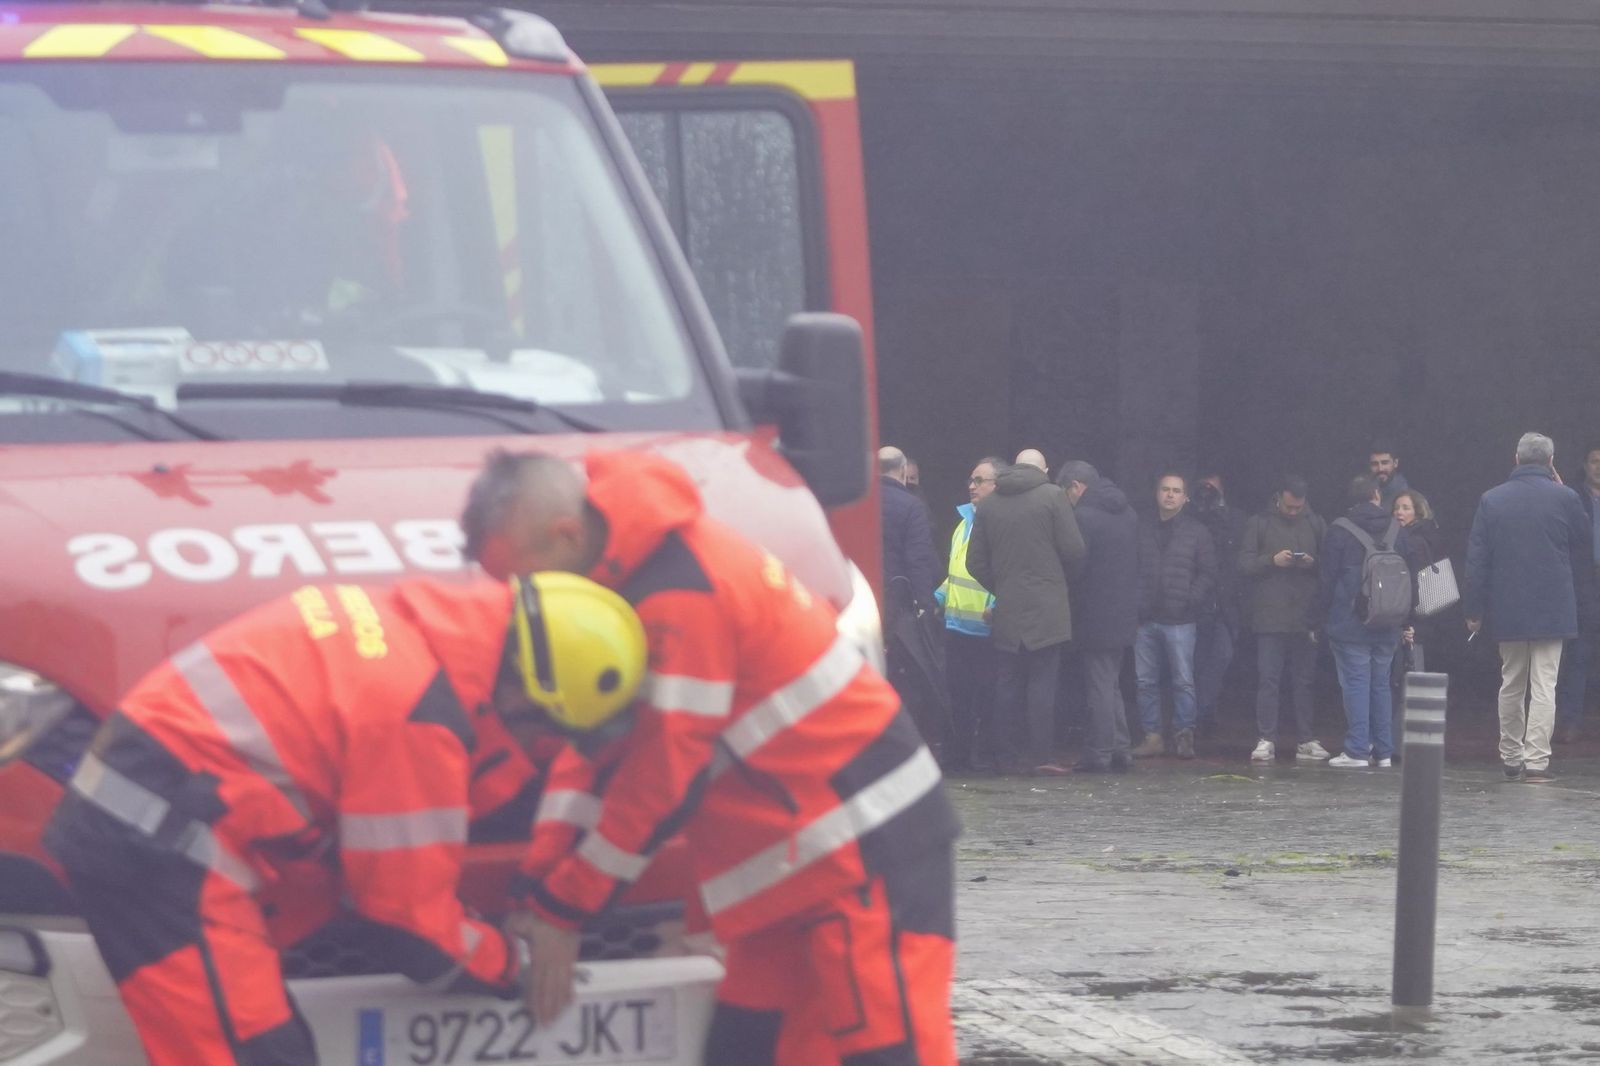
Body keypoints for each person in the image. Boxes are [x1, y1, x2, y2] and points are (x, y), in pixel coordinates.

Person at [462, 449, 960, 1064]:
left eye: (522, 581)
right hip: (802, 865)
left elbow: (661, 776)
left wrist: (564, 906)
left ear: (565, 536)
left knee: (884, 1051)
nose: (522, 605)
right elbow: (588, 755)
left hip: (868, 855)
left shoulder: (678, 595)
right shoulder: (626, 584)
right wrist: (537, 888)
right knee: (748, 1046)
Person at [43, 573, 645, 1065]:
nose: (537, 755)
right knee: (255, 1055)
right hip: (163, 850)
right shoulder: (420, 717)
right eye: (545, 737)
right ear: (522, 696)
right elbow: (412, 929)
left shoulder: (421, 634)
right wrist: (511, 964)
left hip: (163, 826)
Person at [1464, 433, 1596, 783]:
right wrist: (1565, 489)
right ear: (1551, 461)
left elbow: (1477, 560)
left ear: (1516, 458)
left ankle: (1510, 756)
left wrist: (1474, 609)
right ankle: (1537, 760)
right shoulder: (1566, 497)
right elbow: (1585, 541)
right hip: (1554, 608)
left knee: (1511, 682)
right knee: (1544, 685)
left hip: (1507, 607)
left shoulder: (1491, 500)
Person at [967, 459, 1087, 775]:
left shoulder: (990, 504)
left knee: (1006, 683)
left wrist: (1003, 585)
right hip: (1048, 608)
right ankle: (1041, 756)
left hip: (1008, 606)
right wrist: (1056, 582)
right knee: (1043, 684)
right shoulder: (1052, 496)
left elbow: (973, 561)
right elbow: (1074, 550)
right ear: (1043, 470)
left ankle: (1003, 756)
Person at [1317, 475, 1412, 769]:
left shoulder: (1339, 531)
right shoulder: (1398, 529)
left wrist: (1316, 618)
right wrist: (1405, 619)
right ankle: (1383, 751)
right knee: (1381, 684)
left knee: (1356, 683)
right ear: (1376, 495)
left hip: (1350, 623)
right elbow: (1411, 578)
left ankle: (1357, 749)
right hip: (1388, 622)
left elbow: (1327, 581)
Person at [1239, 475, 1329, 763]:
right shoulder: (1259, 523)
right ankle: (1266, 738)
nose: (1293, 512)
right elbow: (1243, 564)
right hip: (1269, 616)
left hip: (1305, 616)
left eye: (1298, 508)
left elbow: (1330, 566)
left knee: (1305, 681)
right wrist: (1271, 561)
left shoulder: (1316, 522)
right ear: (1279, 498)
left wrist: (1313, 563)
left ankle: (1305, 738)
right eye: (1289, 507)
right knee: (1269, 679)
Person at [1058, 460, 1139, 773]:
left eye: (1067, 494)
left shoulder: (1084, 517)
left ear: (1076, 486)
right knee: (1111, 682)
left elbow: (1077, 567)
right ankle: (1121, 748)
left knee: (1099, 686)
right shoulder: (1129, 513)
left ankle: (1100, 752)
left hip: (1094, 612)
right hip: (1123, 611)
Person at [1131, 472, 1217, 759]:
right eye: (1165, 489)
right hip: (1145, 617)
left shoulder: (1198, 531)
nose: (1170, 495)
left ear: (1186, 497)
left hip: (1181, 619)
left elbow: (1208, 573)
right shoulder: (1140, 528)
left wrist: (1190, 601)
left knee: (1183, 680)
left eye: (1176, 490)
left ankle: (1184, 735)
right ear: (1157, 494)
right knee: (1145, 681)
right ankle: (1152, 736)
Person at [935, 456, 1004, 772]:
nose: (972, 486)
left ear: (997, 485)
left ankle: (986, 755)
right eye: (971, 480)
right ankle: (959, 755)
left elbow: (1006, 571)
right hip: (955, 625)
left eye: (980, 481)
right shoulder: (964, 522)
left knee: (987, 698)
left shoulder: (1001, 522)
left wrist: (997, 604)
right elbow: (956, 570)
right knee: (958, 697)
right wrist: (937, 596)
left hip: (986, 627)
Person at [1190, 471, 1245, 735]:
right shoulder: (1190, 518)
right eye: (1203, 487)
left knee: (1222, 656)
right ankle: (1196, 717)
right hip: (1195, 603)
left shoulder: (1234, 519)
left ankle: (1204, 709)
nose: (1207, 492)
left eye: (1212, 488)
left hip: (1225, 602)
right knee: (1194, 662)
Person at [1554, 444, 1600, 742]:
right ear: (1585, 465)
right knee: (1579, 654)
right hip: (1585, 582)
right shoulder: (1573, 497)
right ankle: (1570, 721)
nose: (1599, 466)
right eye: (1595, 461)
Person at [1392, 488, 1446, 680]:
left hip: (1416, 616)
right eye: (1396, 508)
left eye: (1406, 508)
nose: (1399, 512)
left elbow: (1413, 583)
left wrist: (1411, 623)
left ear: (1418, 511)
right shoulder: (1428, 533)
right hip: (1426, 614)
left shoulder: (1412, 541)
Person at [879, 445, 941, 603]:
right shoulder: (912, 505)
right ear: (903, 470)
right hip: (898, 597)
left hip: (866, 594)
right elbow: (918, 560)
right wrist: (925, 603)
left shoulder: (860, 502)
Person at [1369, 441, 1411, 512]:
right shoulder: (1364, 491)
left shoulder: (1406, 496)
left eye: (1385, 463)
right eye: (1374, 464)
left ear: (1395, 463)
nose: (1380, 469)